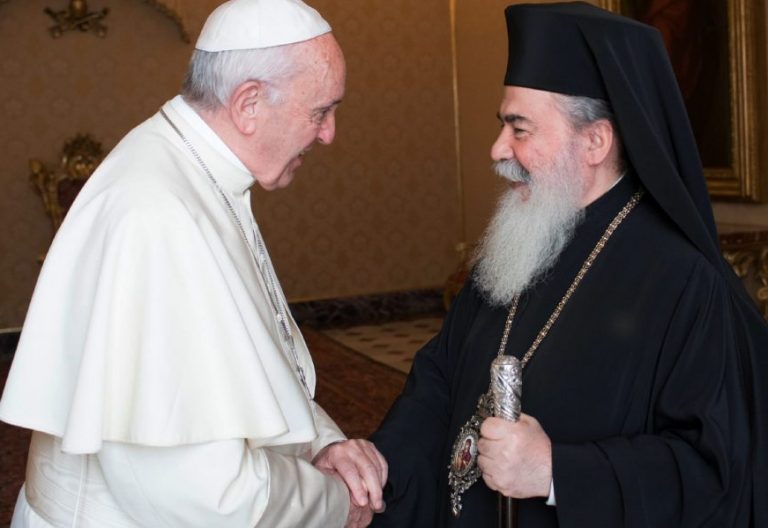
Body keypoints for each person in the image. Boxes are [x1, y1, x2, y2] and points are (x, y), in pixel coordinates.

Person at [370, 2, 768, 527]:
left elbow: (716, 471)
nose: (497, 149)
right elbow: (441, 379)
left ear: (595, 141)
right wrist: (378, 468)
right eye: (502, 126)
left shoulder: (684, 282)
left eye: (520, 129)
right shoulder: (517, 245)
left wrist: (557, 472)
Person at [0, 0, 386, 526]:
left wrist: (323, 443)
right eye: (319, 111)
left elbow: (250, 363)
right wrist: (336, 502)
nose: (328, 134)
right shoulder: (157, 217)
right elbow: (203, 491)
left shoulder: (195, 174)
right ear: (248, 102)